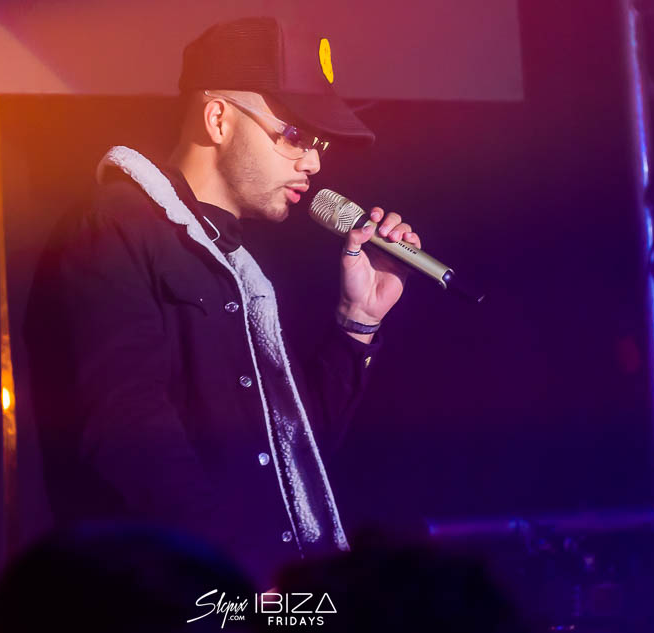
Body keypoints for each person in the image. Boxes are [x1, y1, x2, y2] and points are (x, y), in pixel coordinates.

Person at [23, 16, 422, 588]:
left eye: (319, 144)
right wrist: (240, 582)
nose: (313, 163)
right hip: (179, 602)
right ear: (217, 118)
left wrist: (357, 322)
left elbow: (290, 452)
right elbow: (124, 435)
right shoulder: (113, 228)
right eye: (295, 135)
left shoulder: (235, 266)